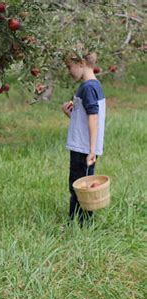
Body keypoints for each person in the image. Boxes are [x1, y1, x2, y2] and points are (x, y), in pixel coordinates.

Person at [62, 51, 106, 226]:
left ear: (81, 63)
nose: (69, 71)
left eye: (69, 67)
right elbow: (84, 119)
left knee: (80, 186)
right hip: (82, 146)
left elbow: (94, 118)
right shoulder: (92, 85)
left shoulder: (88, 88)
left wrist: (92, 150)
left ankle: (79, 223)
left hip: (84, 148)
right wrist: (69, 113)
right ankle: (79, 221)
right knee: (78, 185)